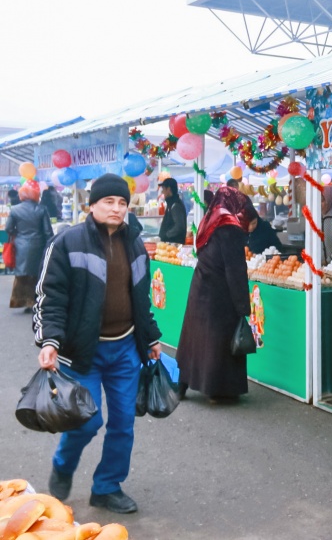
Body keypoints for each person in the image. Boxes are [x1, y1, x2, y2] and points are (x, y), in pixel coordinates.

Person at [34, 174, 162, 514]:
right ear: (92, 205)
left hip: (124, 349)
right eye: (109, 201)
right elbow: (51, 297)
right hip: (81, 351)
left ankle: (107, 487)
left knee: (123, 423)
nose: (116, 208)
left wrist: (150, 337)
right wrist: (49, 341)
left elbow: (140, 297)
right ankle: (63, 464)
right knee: (86, 421)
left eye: (122, 203)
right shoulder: (67, 242)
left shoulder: (135, 242)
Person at [176, 187, 258, 402]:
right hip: (220, 294)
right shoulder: (229, 229)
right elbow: (235, 270)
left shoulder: (210, 220)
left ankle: (182, 383)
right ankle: (218, 391)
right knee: (217, 342)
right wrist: (243, 307)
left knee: (194, 339)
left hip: (201, 286)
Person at [7, 181, 53, 309]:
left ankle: (20, 300)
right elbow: (48, 231)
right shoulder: (42, 209)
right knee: (37, 274)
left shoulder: (14, 210)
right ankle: (36, 301)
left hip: (20, 245)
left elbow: (8, 229)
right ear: (36, 195)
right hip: (38, 245)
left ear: (21, 195)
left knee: (22, 274)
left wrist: (18, 234)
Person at [158, 177, 187, 244]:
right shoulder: (171, 204)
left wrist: (166, 235)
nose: (162, 191)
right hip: (170, 243)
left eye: (163, 189)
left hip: (174, 244)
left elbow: (179, 226)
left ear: (168, 189)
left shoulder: (175, 205)